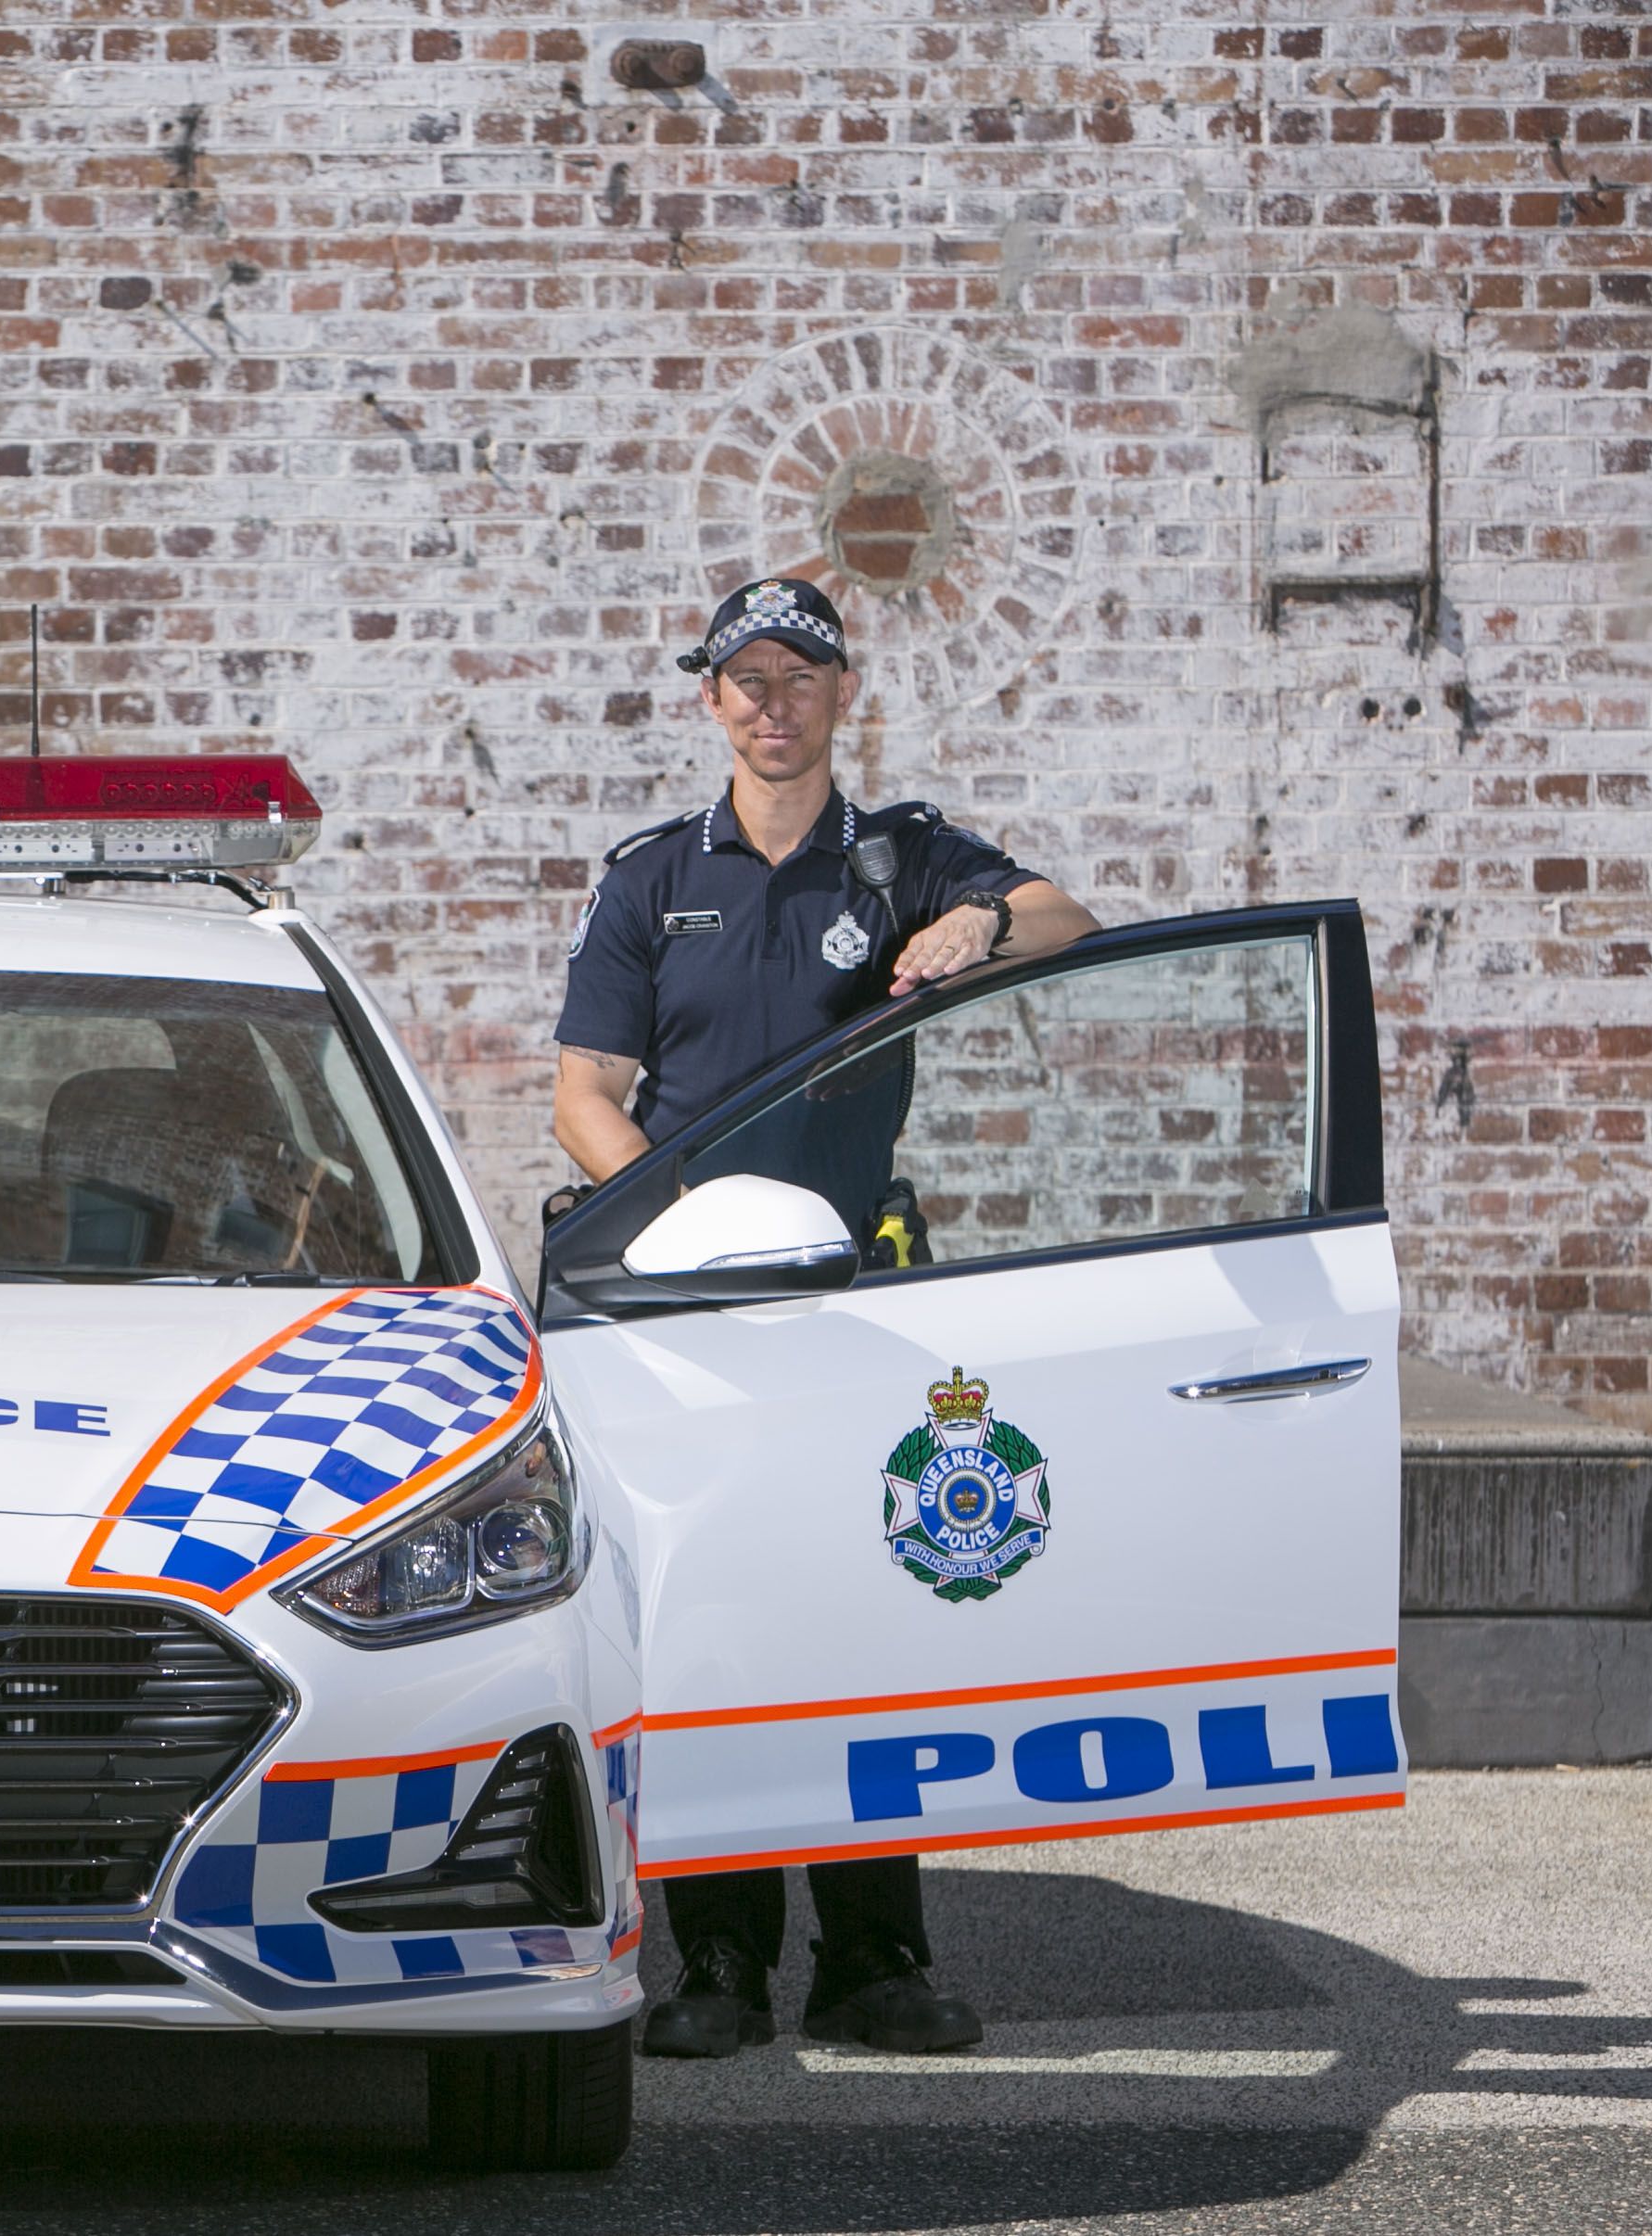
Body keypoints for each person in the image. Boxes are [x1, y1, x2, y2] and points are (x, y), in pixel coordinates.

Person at [550, 578, 1099, 2061]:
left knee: (864, 1629)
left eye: (796, 677)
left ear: (841, 692)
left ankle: (874, 1965)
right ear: (710, 701)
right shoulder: (655, 881)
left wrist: (977, 921)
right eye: (744, 680)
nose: (768, 703)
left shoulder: (902, 859)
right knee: (714, 1628)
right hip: (694, 1309)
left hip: (857, 1303)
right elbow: (583, 1094)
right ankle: (718, 1966)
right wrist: (685, 1225)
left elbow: (1072, 918)